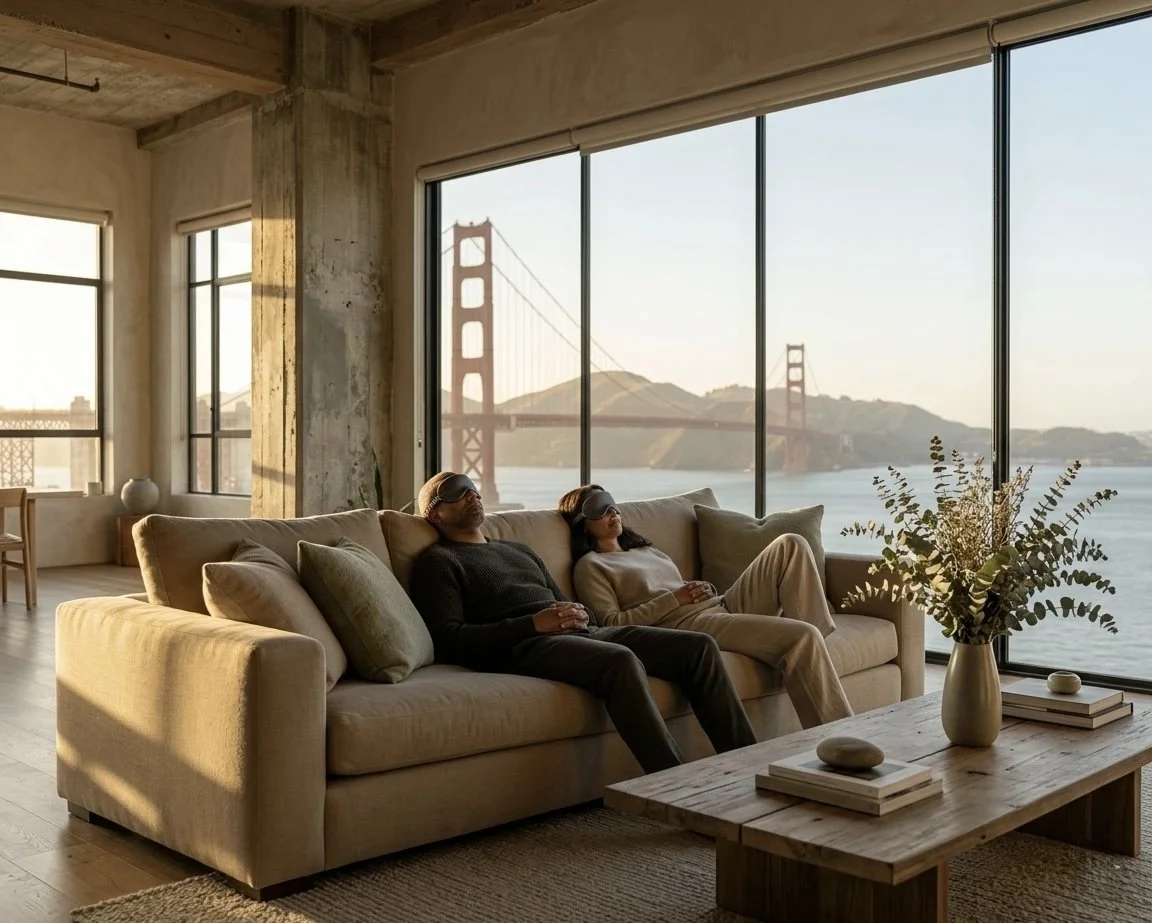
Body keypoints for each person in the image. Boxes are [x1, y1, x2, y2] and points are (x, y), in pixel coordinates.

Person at [408, 471, 758, 774]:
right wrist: (533, 625)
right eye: (456, 492)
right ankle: (673, 783)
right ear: (434, 514)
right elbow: (449, 638)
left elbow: (570, 604)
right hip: (524, 645)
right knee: (620, 660)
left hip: (581, 632)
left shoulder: (519, 550)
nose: (472, 494)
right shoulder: (439, 561)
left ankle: (747, 766)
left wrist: (578, 614)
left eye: (472, 488)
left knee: (697, 647)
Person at [559, 484, 853, 729]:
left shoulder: (645, 549)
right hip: (689, 624)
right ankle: (840, 738)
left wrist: (702, 589)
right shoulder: (591, 566)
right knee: (802, 636)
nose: (612, 512)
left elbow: (676, 586)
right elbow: (611, 623)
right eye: (599, 509)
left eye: (611, 504)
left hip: (719, 604)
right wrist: (677, 599)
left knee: (790, 544)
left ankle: (818, 651)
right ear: (582, 523)